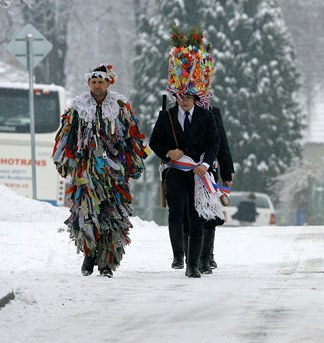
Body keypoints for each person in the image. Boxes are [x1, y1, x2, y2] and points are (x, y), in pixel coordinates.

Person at [52, 64, 146, 278]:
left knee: (112, 217)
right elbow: (66, 137)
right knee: (85, 215)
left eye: (100, 82)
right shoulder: (78, 107)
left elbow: (132, 138)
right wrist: (65, 162)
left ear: (108, 83)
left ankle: (107, 262)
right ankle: (89, 254)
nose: (96, 86)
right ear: (89, 84)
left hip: (114, 174)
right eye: (93, 82)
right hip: (86, 172)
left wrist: (134, 162)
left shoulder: (121, 107)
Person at [150, 23, 220, 278]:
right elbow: (154, 142)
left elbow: (214, 143)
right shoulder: (166, 116)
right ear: (176, 95)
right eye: (181, 95)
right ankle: (178, 255)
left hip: (198, 173)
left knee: (197, 216)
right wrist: (168, 153)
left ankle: (193, 264)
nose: (185, 99)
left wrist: (207, 163)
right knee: (176, 212)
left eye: (189, 95)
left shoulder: (206, 116)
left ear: (195, 95)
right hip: (175, 174)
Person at [198, 106, 235, 274]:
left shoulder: (212, 112)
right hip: (184, 171)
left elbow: (221, 143)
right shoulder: (175, 113)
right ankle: (193, 254)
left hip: (208, 172)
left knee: (209, 214)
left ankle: (206, 256)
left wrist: (227, 172)